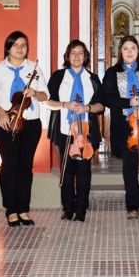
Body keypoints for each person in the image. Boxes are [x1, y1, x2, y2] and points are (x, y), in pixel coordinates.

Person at [0, 31, 49, 227]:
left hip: (31, 122)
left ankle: (23, 209)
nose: (20, 48)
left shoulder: (34, 68)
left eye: (24, 45)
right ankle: (11, 210)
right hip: (5, 122)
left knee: (26, 166)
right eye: (15, 45)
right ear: (8, 48)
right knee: (9, 165)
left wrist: (35, 92)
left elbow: (45, 96)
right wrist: (0, 112)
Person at [103, 35, 139, 219]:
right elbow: (107, 98)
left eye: (133, 48)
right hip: (124, 126)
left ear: (138, 51)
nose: (129, 52)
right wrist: (128, 102)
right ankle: (132, 204)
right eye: (125, 48)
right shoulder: (112, 72)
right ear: (120, 51)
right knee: (129, 165)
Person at [45, 40, 104, 222]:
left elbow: (101, 106)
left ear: (85, 56)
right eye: (73, 53)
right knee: (66, 171)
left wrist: (86, 108)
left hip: (86, 132)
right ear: (67, 56)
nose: (77, 57)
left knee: (84, 172)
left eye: (80, 53)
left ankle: (81, 209)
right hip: (64, 130)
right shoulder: (58, 77)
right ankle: (67, 208)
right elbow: (47, 101)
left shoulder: (92, 79)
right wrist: (65, 104)